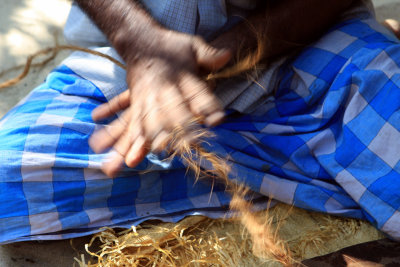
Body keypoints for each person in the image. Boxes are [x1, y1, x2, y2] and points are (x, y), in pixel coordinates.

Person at [0, 0, 399, 245]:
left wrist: (225, 52)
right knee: (8, 180)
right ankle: (303, 163)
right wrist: (139, 38)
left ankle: (252, 164)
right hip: (134, 68)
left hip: (309, 44)